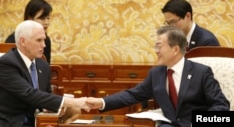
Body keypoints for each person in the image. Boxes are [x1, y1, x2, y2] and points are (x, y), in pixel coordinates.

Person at [86, 26, 230, 127]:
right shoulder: (156, 74)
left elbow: (221, 106)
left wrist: (198, 122)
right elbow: (133, 95)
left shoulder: (201, 72)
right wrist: (101, 102)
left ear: (175, 49)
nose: (156, 51)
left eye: (159, 46)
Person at [0, 20, 90, 127]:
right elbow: (29, 94)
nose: (44, 45)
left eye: (44, 40)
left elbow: (45, 97)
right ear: (23, 41)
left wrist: (60, 110)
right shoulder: (7, 63)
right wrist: (71, 102)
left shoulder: (43, 66)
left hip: (34, 122)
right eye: (39, 40)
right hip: (4, 122)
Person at [5, 0, 52, 64]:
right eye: (42, 18)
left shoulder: (46, 40)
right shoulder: (13, 39)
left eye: (48, 18)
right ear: (29, 18)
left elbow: (46, 67)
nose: (46, 22)